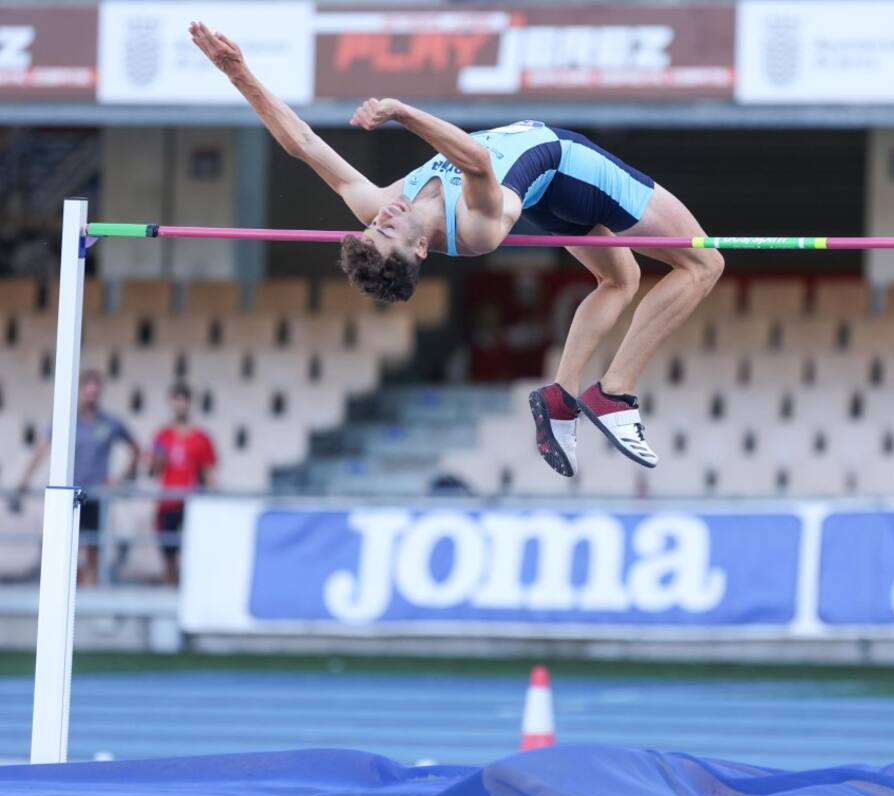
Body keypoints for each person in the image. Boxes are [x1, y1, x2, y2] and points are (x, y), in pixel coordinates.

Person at [189, 21, 724, 480]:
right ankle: (617, 390)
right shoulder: (474, 228)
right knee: (704, 262)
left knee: (620, 281)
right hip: (571, 168)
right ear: (421, 247)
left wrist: (238, 74)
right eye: (389, 230)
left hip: (543, 197)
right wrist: (402, 111)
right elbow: (475, 160)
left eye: (376, 224)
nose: (385, 215)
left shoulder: (379, 203)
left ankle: (562, 394)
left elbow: (302, 144)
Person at [15, 370, 139, 586]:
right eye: (87, 391)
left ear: (100, 393)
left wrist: (121, 478)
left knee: (93, 549)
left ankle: (88, 598)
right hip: (68, 495)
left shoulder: (110, 423)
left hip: (96, 496)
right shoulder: (66, 421)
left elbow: (136, 449)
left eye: (95, 392)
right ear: (81, 391)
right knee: (64, 548)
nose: (91, 396)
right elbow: (41, 450)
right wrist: (25, 478)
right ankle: (66, 595)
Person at [148, 383, 216, 586]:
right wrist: (158, 460)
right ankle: (170, 588)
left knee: (193, 551)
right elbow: (152, 471)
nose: (180, 405)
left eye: (184, 399)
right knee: (168, 552)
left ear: (189, 403)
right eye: (176, 399)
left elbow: (209, 472)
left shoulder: (201, 438)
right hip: (167, 503)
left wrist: (211, 500)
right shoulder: (163, 436)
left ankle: (189, 591)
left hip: (191, 504)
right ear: (171, 403)